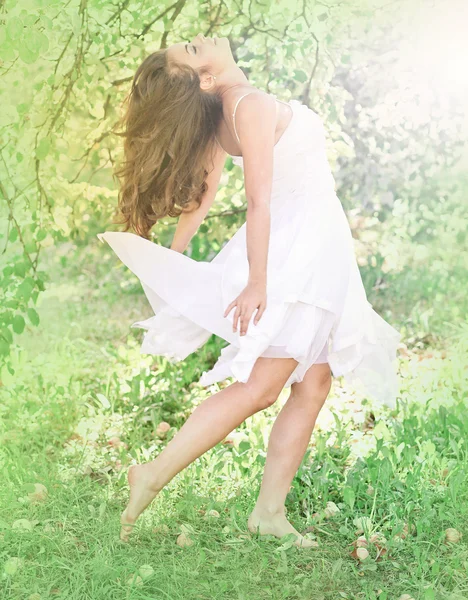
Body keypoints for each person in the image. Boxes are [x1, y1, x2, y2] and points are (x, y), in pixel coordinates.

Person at [97, 33, 401, 548]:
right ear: (207, 78)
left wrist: (175, 258)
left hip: (316, 248)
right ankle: (150, 473)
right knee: (262, 387)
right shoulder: (251, 105)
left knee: (314, 382)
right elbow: (257, 199)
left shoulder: (224, 113)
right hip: (298, 253)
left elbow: (207, 190)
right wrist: (257, 282)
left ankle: (269, 513)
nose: (195, 40)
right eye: (191, 54)